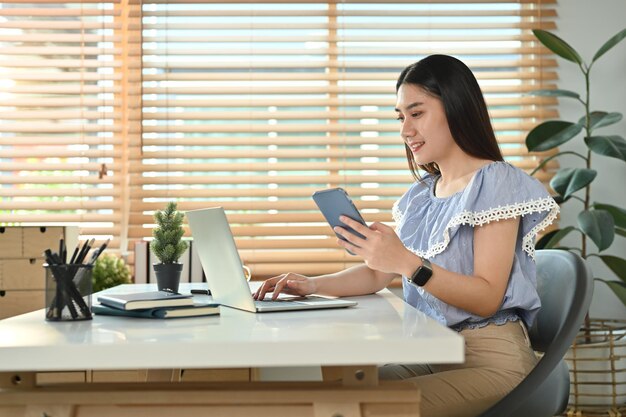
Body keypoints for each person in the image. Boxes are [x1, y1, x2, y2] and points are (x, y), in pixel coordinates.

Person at [253, 54, 559, 417]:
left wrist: (407, 262)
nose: (405, 130)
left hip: (493, 362)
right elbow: (378, 273)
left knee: (360, 408)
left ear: (458, 108)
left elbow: (487, 298)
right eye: (401, 117)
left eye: (417, 113)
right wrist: (312, 285)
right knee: (332, 400)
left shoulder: (497, 183)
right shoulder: (422, 195)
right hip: (434, 353)